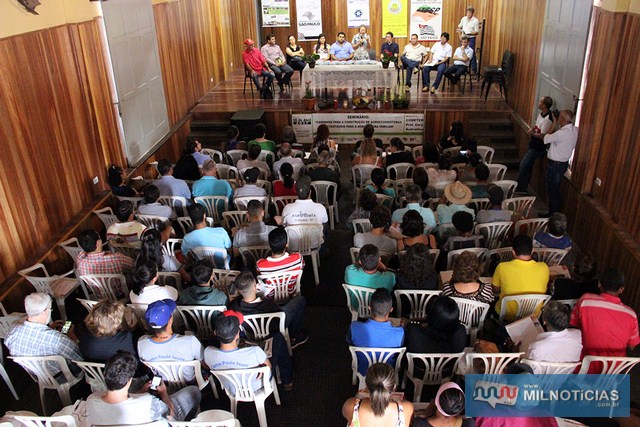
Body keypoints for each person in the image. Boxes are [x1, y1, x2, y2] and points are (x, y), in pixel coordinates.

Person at [85, 350, 200, 425]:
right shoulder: (148, 402)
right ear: (129, 381)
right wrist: (164, 393)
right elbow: (170, 413)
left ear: (105, 375)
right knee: (193, 392)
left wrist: (140, 392)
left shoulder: (91, 400)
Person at [5, 292, 83, 376]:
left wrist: (49, 329)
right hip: (61, 375)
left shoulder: (13, 329)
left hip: (36, 374)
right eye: (50, 309)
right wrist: (73, 337)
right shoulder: (57, 339)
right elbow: (78, 357)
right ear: (45, 312)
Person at [570, 268, 639, 359]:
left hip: (585, 367)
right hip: (616, 370)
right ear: (622, 289)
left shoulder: (586, 301)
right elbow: (632, 346)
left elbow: (573, 324)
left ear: (599, 284)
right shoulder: (631, 315)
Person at [204, 310, 279, 391]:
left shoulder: (207, 352)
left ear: (215, 333)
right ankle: (286, 381)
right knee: (278, 338)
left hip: (231, 388)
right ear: (238, 334)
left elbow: (207, 366)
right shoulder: (255, 351)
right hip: (257, 386)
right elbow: (268, 367)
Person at [137, 299, 205, 383]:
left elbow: (147, 367)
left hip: (164, 384)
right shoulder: (190, 341)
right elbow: (205, 364)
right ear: (170, 319)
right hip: (190, 382)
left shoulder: (141, 343)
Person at [492, 234, 549, 321]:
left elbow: (495, 290)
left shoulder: (502, 267)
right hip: (533, 315)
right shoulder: (544, 267)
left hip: (506, 315)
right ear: (532, 251)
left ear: (513, 252)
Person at [347, 289, 404, 375]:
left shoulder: (354, 327)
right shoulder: (400, 333)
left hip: (364, 370)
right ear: (391, 310)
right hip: (387, 372)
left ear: (369, 307)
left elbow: (349, 342)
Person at [342, 363, 414, 427]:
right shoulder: (407, 409)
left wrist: (358, 398)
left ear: (366, 386)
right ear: (394, 386)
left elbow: (346, 415)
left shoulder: (351, 406)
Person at [78, 300, 141, 369]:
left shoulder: (84, 337)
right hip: (126, 375)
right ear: (116, 323)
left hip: (97, 374)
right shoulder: (128, 339)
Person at [524, 300, 582, 370]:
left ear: (544, 321)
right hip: (567, 379)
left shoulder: (536, 348)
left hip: (538, 379)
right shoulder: (579, 336)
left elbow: (527, 369)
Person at [516, 96, 555, 193]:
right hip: (532, 144)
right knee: (527, 167)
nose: (538, 103)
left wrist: (532, 133)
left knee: (523, 165)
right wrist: (532, 129)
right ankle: (523, 187)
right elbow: (537, 126)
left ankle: (520, 187)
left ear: (545, 105)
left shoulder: (548, 119)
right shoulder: (541, 114)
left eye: (540, 102)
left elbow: (543, 136)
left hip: (538, 147)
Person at [544, 110, 578, 215]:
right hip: (563, 164)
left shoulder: (560, 133)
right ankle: (553, 213)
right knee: (556, 190)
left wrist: (554, 123)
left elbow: (546, 138)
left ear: (562, 120)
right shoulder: (575, 130)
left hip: (554, 165)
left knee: (552, 190)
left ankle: (552, 215)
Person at [256, 227, 304, 299]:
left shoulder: (260, 265)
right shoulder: (297, 258)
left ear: (269, 245)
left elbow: (259, 275)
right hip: (292, 294)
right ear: (286, 244)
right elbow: (302, 266)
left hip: (271, 298)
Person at [457, 6, 479, 73]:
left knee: (471, 53)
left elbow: (476, 32)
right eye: (467, 12)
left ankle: (473, 70)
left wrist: (469, 32)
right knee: (463, 51)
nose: (468, 14)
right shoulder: (463, 19)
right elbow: (459, 27)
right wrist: (460, 35)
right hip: (464, 37)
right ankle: (463, 68)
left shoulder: (475, 21)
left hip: (471, 38)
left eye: (470, 13)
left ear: (472, 13)